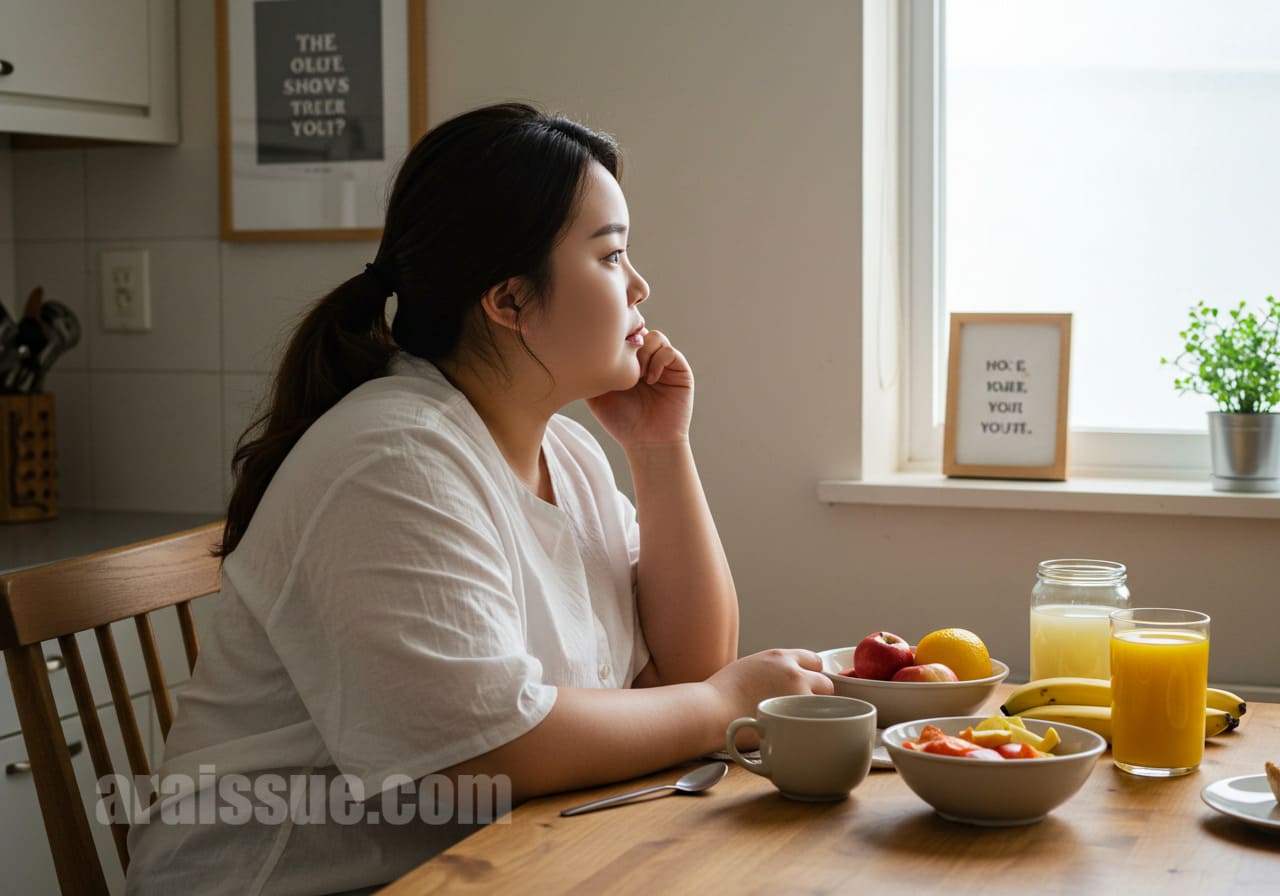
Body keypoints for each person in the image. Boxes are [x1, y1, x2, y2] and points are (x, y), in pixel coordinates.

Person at [125, 102, 832, 896]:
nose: (640, 284)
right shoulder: (391, 460)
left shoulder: (565, 450)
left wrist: (659, 450)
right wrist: (719, 703)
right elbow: (494, 747)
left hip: (500, 860)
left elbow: (688, 662)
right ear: (508, 301)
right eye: (610, 256)